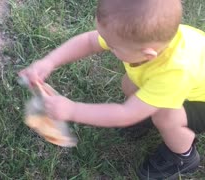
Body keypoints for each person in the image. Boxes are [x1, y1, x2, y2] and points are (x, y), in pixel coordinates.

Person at [19, 0, 205, 179]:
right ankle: (147, 114)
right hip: (188, 83)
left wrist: (72, 110)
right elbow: (89, 41)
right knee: (130, 84)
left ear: (148, 54)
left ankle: (183, 156)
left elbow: (125, 114)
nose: (106, 45)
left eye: (113, 46)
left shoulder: (173, 72)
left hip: (201, 102)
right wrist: (49, 61)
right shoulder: (144, 38)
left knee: (165, 116)